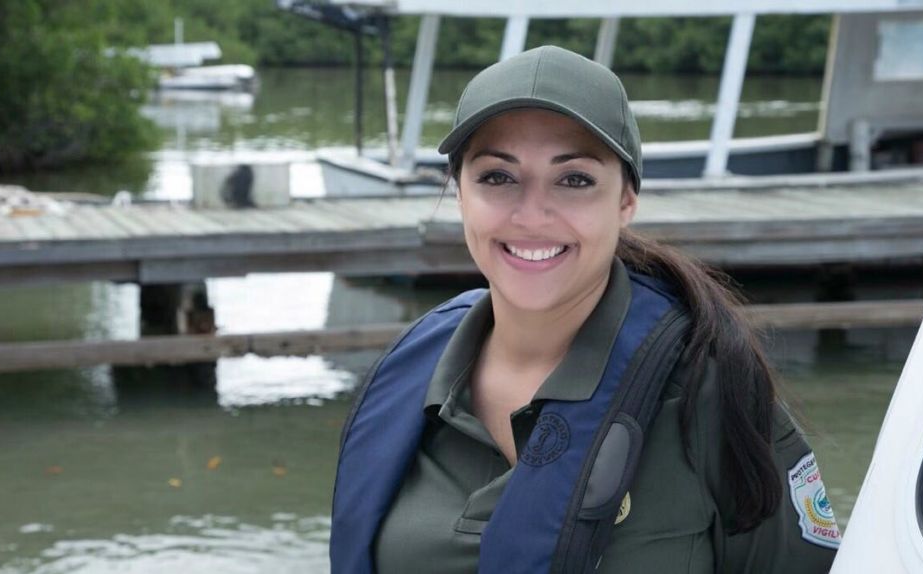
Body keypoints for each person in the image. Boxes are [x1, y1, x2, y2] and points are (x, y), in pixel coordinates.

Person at [330, 45, 839, 573]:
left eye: (574, 179)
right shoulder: (406, 382)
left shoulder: (711, 391)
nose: (532, 214)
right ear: (459, 192)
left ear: (625, 201)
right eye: (497, 177)